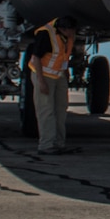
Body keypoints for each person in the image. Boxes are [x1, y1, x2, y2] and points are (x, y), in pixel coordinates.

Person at [27, 15, 81, 155]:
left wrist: (66, 71)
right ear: (63, 29)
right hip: (44, 75)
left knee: (61, 109)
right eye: (71, 31)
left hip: (59, 74)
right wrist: (41, 81)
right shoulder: (45, 34)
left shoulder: (67, 35)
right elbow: (37, 58)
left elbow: (63, 55)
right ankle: (46, 145)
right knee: (46, 110)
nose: (73, 33)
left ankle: (59, 143)